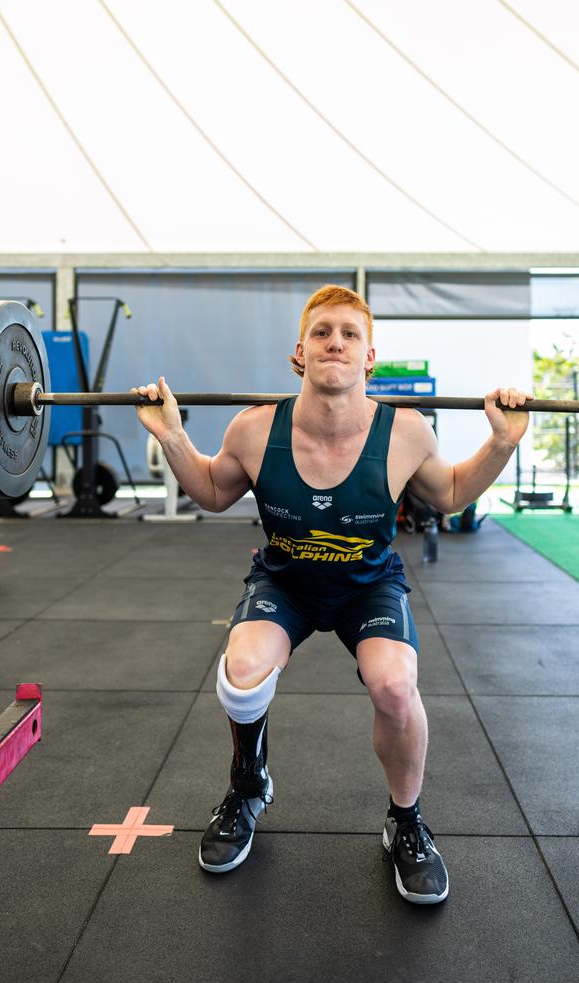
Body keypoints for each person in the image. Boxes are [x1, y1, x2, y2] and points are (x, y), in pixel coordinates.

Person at [133, 284, 531, 904]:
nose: (335, 343)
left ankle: (406, 820)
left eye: (350, 334)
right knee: (241, 672)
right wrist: (172, 436)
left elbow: (449, 494)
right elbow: (212, 492)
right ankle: (247, 783)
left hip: (367, 586)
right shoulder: (254, 428)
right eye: (322, 333)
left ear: (370, 357)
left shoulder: (405, 433)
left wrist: (501, 443)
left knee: (396, 687)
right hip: (285, 581)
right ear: (299, 352)